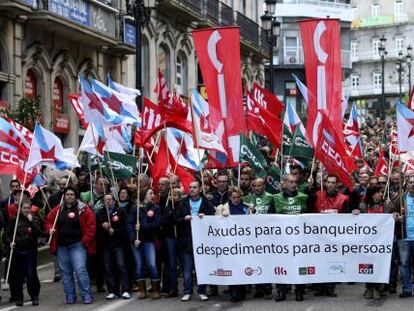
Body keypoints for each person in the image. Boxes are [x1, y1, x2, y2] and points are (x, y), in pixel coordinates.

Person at [44, 186, 96, 304]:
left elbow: (91, 226)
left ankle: (87, 295)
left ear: (76, 196)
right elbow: (48, 221)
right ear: (64, 196)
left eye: (72, 194)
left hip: (78, 245)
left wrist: (84, 241)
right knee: (65, 272)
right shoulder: (58, 210)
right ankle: (70, 296)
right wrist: (50, 229)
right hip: (62, 246)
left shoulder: (84, 209)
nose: (69, 196)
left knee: (80, 270)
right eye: (67, 195)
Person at [175, 180, 215, 302]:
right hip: (187, 240)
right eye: (190, 187)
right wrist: (184, 219)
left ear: (200, 189)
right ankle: (187, 291)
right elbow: (176, 220)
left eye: (194, 187)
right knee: (187, 269)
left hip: (202, 241)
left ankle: (202, 291)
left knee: (201, 268)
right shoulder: (183, 203)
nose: (192, 189)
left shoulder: (206, 202)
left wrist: (205, 217)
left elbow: (213, 217)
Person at [310, 174, 349, 297]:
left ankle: (330, 287)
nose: (331, 184)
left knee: (332, 261)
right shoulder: (318, 195)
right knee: (319, 261)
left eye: (333, 182)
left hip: (335, 237)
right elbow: (309, 206)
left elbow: (347, 217)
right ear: (325, 183)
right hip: (318, 236)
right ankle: (319, 287)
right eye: (329, 182)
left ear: (337, 184)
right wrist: (311, 186)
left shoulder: (344, 198)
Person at [273, 174, 308, 302]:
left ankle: (299, 291)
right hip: (282, 239)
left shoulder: (303, 197)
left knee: (299, 265)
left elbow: (310, 217)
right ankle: (281, 291)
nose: (294, 184)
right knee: (282, 266)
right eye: (291, 182)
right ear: (284, 183)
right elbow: (270, 219)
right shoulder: (276, 198)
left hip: (300, 239)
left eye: (295, 182)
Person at [216, 186, 253, 302]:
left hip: (244, 243)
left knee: (242, 267)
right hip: (229, 244)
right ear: (230, 197)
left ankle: (242, 291)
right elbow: (215, 223)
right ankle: (234, 292)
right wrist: (222, 217)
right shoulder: (222, 208)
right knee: (232, 268)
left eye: (238, 197)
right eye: (234, 197)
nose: (236, 199)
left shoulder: (248, 207)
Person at [355, 185, 391, 300]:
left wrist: (394, 214)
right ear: (373, 194)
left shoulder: (386, 204)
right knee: (367, 265)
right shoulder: (363, 205)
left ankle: (376, 288)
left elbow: (392, 216)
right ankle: (369, 287)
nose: (382, 194)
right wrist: (355, 213)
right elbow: (357, 221)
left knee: (379, 264)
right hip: (367, 241)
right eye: (379, 192)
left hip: (381, 241)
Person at [5, 199, 42, 306]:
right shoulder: (14, 220)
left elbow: (39, 233)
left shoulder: (34, 219)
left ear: (31, 208)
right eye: (24, 208)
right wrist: (10, 242)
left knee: (30, 275)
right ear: (20, 209)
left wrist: (31, 221)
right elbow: (6, 235)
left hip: (30, 252)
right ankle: (19, 297)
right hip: (17, 252)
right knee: (18, 276)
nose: (26, 210)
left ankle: (34, 296)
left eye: (28, 208)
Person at [128, 188, 161, 299]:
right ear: (144, 195)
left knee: (152, 264)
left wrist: (142, 226)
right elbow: (129, 225)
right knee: (138, 265)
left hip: (149, 240)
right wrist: (133, 239)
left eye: (153, 192)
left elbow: (157, 223)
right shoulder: (135, 208)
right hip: (137, 242)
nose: (152, 195)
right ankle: (142, 290)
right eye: (150, 193)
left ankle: (156, 289)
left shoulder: (156, 208)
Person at [96, 194, 130, 300]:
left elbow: (126, 227)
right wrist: (102, 226)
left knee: (121, 265)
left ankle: (125, 289)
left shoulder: (120, 211)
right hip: (106, 245)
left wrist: (115, 232)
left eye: (110, 200)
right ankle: (112, 290)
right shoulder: (100, 213)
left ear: (114, 201)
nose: (108, 202)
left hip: (118, 244)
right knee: (108, 267)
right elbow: (95, 228)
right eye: (106, 200)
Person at [395, 175, 414, 298]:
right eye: (411, 182)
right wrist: (397, 216)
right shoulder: (400, 198)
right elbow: (391, 212)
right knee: (404, 264)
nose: (413, 184)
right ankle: (407, 289)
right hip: (404, 237)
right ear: (406, 184)